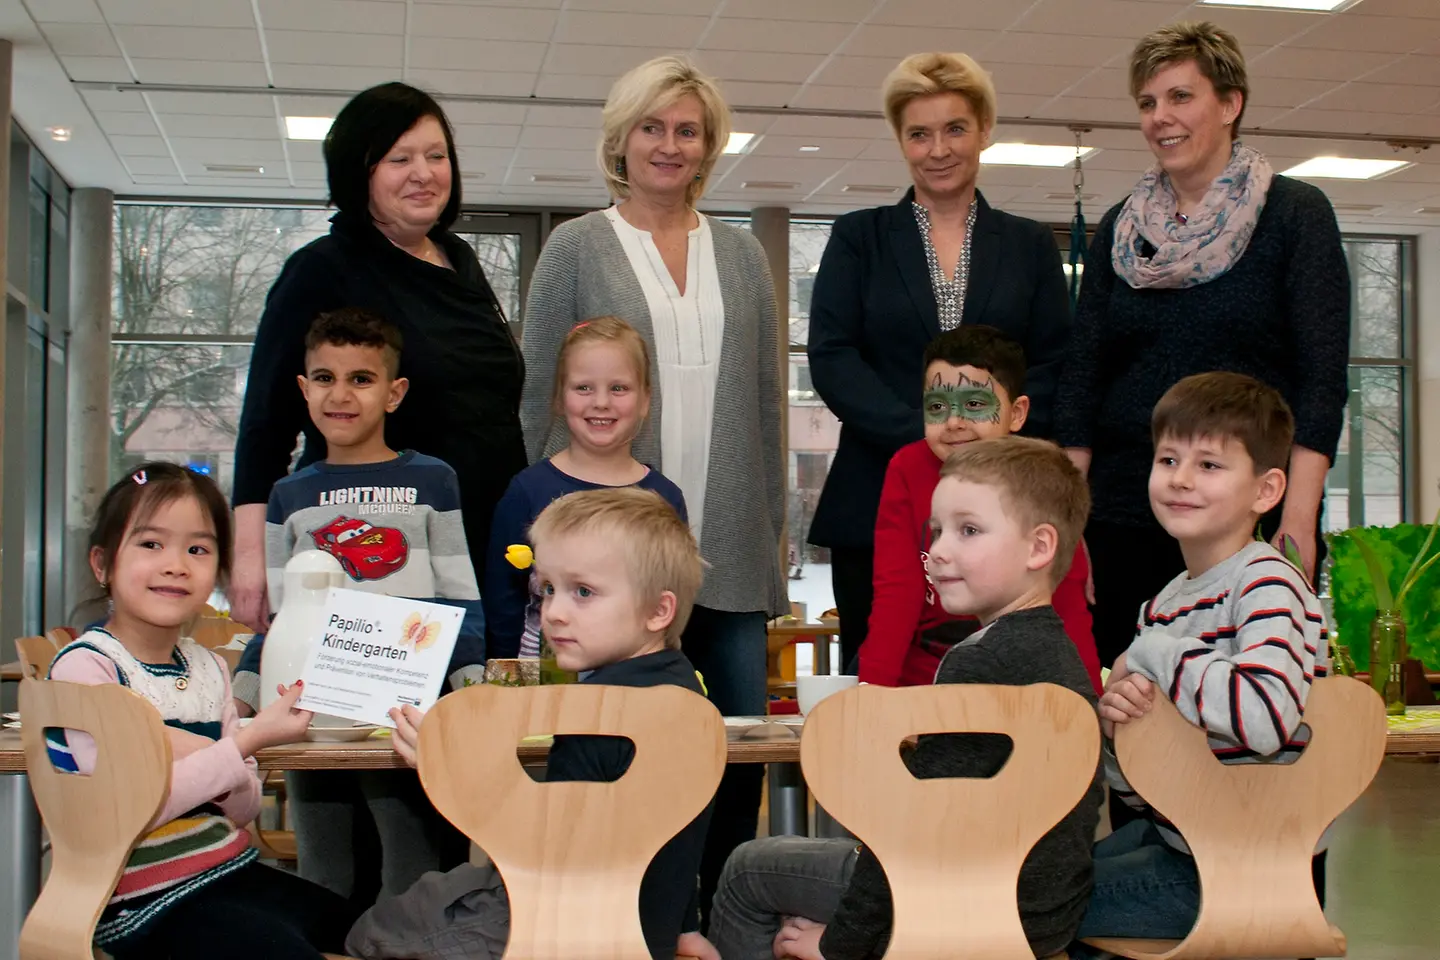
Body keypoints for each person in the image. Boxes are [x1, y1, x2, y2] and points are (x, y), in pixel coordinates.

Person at [517, 54, 784, 921]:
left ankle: (725, 918)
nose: (669, 145)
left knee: (734, 747)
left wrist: (773, 531)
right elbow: (538, 393)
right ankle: (625, 919)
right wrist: (545, 524)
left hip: (729, 551)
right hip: (617, 564)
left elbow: (766, 403)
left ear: (707, 147)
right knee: (615, 755)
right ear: (621, 139)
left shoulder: (742, 253)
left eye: (687, 130)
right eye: (651, 127)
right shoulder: (576, 246)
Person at [703, 438, 1103, 960]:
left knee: (748, 868)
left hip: (966, 901)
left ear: (1039, 547)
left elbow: (912, 832)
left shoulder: (979, 663)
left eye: (969, 530)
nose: (938, 550)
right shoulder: (1057, 654)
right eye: (936, 531)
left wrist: (839, 945)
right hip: (1043, 910)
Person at [1053, 22, 1350, 671]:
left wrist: (1297, 517)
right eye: (1148, 103)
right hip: (1126, 509)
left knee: (1243, 709)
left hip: (1249, 515)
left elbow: (1322, 379)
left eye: (1180, 97)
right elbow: (1081, 378)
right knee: (1129, 702)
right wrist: (1069, 520)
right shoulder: (1120, 230)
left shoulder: (1296, 215)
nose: (1161, 118)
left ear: (1230, 103)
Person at [345, 487, 716, 960]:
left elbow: (544, 848)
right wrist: (681, 927)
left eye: (583, 592)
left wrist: (449, 772)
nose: (554, 612)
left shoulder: (602, 713)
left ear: (657, 611)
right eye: (548, 589)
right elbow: (674, 833)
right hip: (643, 930)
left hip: (559, 928)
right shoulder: (684, 692)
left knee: (371, 931)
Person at [807, 51, 1071, 674]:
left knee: (1005, 679)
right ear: (901, 141)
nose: (938, 149)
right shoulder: (859, 237)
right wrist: (932, 434)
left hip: (1008, 505)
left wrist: (988, 443)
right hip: (876, 493)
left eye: (955, 128)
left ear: (984, 130)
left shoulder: (1030, 245)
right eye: (919, 134)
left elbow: (1057, 358)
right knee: (881, 675)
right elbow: (832, 355)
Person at [231, 81, 525, 633]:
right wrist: (250, 559)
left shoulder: (459, 260)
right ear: (358, 169)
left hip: (482, 541)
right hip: (372, 546)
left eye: (437, 156)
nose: (424, 172)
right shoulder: (322, 269)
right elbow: (265, 427)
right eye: (400, 158)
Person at [45, 462, 357, 960]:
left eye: (198, 549)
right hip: (136, 898)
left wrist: (210, 755)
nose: (176, 564)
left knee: (366, 930)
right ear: (102, 564)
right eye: (151, 544)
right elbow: (122, 812)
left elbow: (243, 807)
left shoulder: (209, 667)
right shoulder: (87, 667)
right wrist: (238, 746)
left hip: (224, 871)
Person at [1071, 372, 1330, 951]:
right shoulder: (1164, 604)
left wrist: (1155, 653)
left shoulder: (1269, 584)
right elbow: (1143, 790)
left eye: (1209, 465)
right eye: (1168, 460)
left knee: (1026, 900)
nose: (1181, 479)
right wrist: (1118, 727)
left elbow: (1264, 718)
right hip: (1182, 841)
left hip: (1241, 863)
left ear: (1266, 491)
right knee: (1036, 875)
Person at [232, 308, 476, 904]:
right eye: (323, 377)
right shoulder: (288, 495)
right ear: (303, 389)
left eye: (361, 379)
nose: (340, 395)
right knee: (321, 871)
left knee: (412, 866)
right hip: (313, 719)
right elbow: (282, 618)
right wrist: (239, 696)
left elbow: (459, 593)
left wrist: (471, 688)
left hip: (403, 718)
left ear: (394, 393)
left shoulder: (434, 480)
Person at [859, 325, 1101, 693]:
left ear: (1017, 413)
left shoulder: (1040, 473)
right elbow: (897, 591)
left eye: (974, 404)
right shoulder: (907, 468)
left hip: (1021, 690)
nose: (954, 422)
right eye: (937, 407)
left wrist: (1087, 712)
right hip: (921, 685)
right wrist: (873, 695)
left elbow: (1065, 603)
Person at [485, 317, 686, 660]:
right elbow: (502, 601)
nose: (601, 402)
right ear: (559, 398)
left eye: (619, 388)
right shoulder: (527, 491)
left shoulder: (665, 498)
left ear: (645, 400)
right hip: (542, 689)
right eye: (583, 388)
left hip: (634, 689)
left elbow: (673, 605)